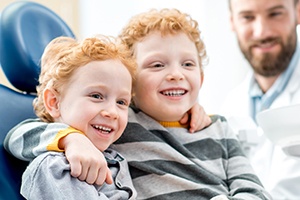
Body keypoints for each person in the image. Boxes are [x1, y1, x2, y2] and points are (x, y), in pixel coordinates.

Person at [4, 8, 271, 199]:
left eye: (187, 64)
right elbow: (18, 135)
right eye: (157, 65)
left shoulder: (218, 128)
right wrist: (71, 139)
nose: (176, 74)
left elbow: (251, 185)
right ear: (131, 85)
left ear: (200, 78)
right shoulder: (121, 122)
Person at [16, 35, 138, 199]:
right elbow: (17, 137)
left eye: (122, 102)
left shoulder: (111, 154)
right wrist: (70, 138)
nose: (113, 112)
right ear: (54, 102)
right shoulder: (54, 166)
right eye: (96, 96)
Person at [221, 0, 300, 199]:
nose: (262, 32)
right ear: (232, 21)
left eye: (275, 14)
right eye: (247, 17)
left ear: (298, 11)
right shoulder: (230, 106)